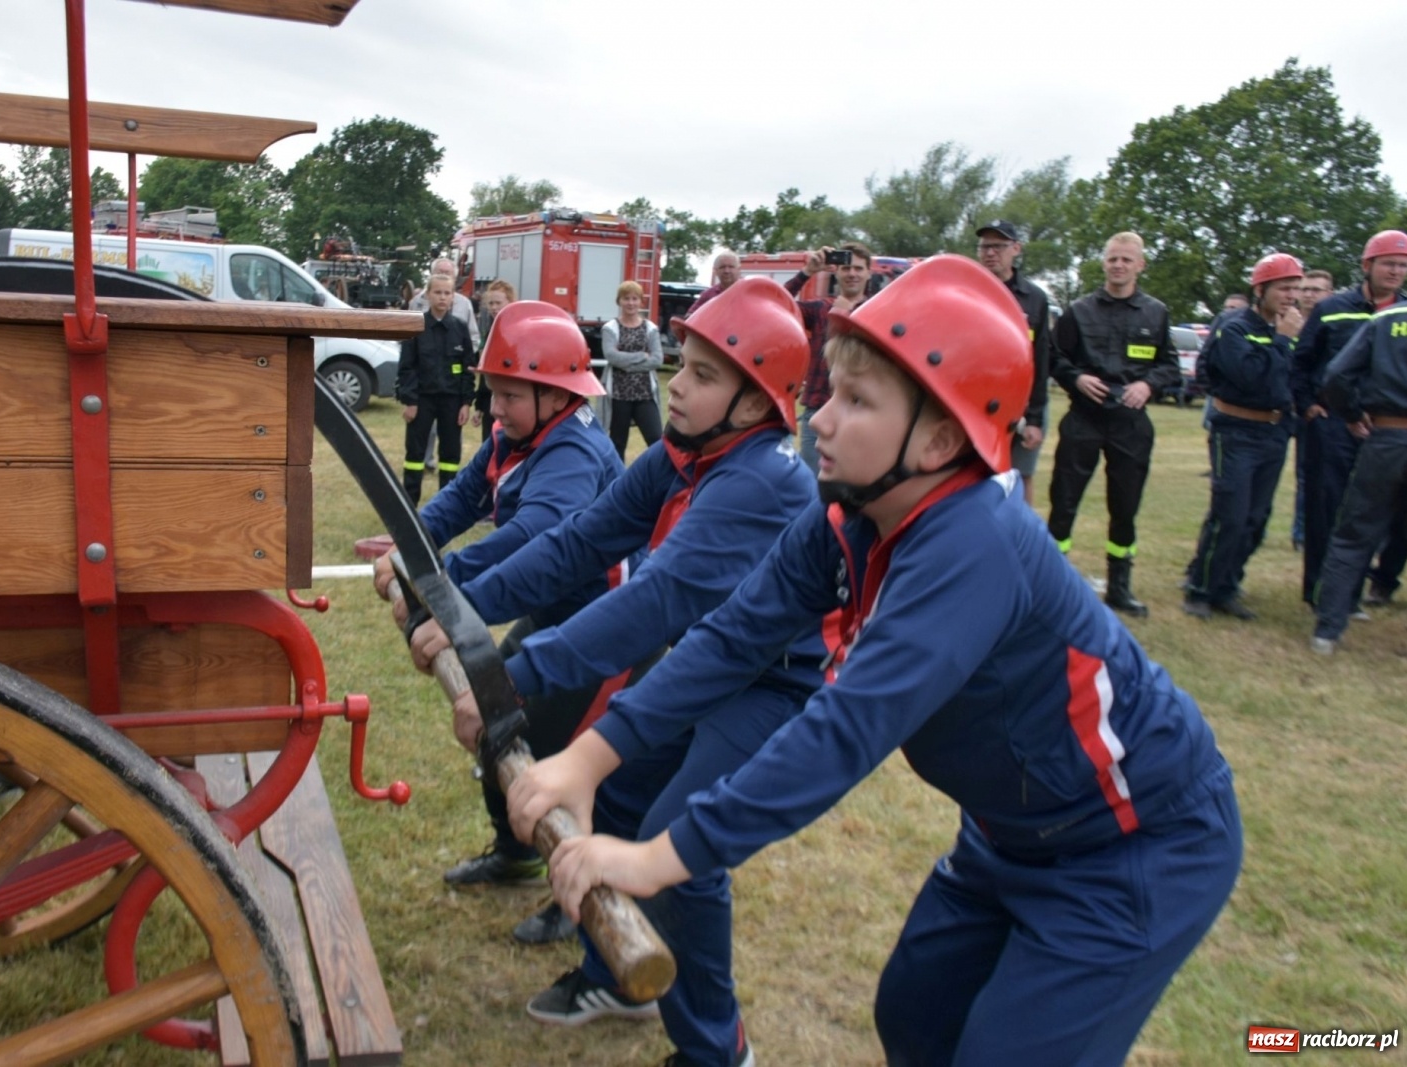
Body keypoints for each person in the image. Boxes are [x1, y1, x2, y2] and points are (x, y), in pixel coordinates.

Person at [523, 255, 1243, 1067]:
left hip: (1133, 846)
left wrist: (663, 856)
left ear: (939, 437)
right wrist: (587, 759)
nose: (820, 418)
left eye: (858, 400)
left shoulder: (975, 540)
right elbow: (730, 638)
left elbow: (848, 725)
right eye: (831, 391)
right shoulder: (845, 515)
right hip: (1008, 835)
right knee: (913, 1020)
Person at [411, 276, 819, 1067]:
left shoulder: (760, 478)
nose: (677, 387)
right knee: (625, 795)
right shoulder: (681, 453)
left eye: (704, 376)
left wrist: (509, 671)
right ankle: (616, 978)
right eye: (683, 366)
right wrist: (462, 608)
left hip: (777, 683)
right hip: (712, 661)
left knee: (686, 855)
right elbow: (580, 543)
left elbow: (653, 602)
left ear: (757, 402)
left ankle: (717, 1052)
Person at [374, 300, 624, 944]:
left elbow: (536, 537)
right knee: (498, 728)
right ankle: (518, 856)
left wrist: (443, 583)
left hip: (606, 634)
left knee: (566, 766)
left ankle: (588, 906)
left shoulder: (571, 451)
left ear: (554, 394)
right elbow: (459, 500)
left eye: (510, 396)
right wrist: (409, 546)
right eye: (493, 394)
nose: (495, 410)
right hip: (556, 615)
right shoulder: (520, 435)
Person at [1046, 231, 1180, 618]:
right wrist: (1076, 378)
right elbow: (1054, 357)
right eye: (1112, 259)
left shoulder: (1155, 313)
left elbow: (1169, 365)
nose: (1118, 265)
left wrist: (1147, 384)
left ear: (1140, 265)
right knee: (1063, 504)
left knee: (1125, 507)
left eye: (1126, 259)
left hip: (1130, 424)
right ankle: (1052, 586)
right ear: (1103, 263)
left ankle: (1119, 588)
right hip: (1084, 420)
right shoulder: (1079, 311)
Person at [1291, 230, 1407, 607]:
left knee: (1380, 514)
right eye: (1388, 263)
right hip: (1333, 424)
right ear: (1367, 265)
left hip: (1386, 429)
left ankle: (1357, 592)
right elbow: (1302, 362)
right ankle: (1319, 592)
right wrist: (1309, 405)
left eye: (1403, 265)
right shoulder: (1333, 308)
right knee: (1326, 507)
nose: (1395, 271)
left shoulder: (1406, 313)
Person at [1183, 254, 1304, 620]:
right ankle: (1199, 589)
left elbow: (1295, 379)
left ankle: (1226, 587)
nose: (1291, 296)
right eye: (1284, 288)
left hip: (1274, 431)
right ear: (1261, 288)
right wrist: (1282, 341)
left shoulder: (1293, 329)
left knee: (1256, 518)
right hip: (1236, 431)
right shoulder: (1236, 328)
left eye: (1295, 289)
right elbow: (1251, 376)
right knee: (1229, 515)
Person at [1311, 297, 1407, 654]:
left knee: (1353, 535)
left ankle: (1327, 630)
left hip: (1385, 437)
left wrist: (1352, 414)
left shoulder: (1386, 319)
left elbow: (1337, 374)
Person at [976, 220, 1052, 506]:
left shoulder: (1035, 299)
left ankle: (1020, 541)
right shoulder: (968, 291)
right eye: (984, 246)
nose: (990, 253)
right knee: (974, 476)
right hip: (977, 405)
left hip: (1021, 406)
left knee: (1020, 477)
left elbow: (1042, 362)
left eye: (998, 246)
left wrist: (1034, 418)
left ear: (1016, 250)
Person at [785, 242, 873, 468]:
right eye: (846, 268)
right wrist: (808, 272)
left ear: (868, 273)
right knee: (814, 487)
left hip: (861, 413)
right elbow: (778, 303)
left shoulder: (878, 310)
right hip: (818, 410)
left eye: (859, 268)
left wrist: (846, 312)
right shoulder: (820, 309)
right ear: (836, 271)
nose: (852, 273)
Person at [397, 274, 475, 503]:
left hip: (451, 401)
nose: (442, 297)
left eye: (447, 293)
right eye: (438, 292)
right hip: (422, 400)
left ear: (453, 297)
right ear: (428, 295)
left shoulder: (459, 328)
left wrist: (466, 402)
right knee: (415, 453)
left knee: (450, 454)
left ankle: (446, 504)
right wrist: (410, 401)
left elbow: (467, 368)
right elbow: (407, 367)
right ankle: (409, 504)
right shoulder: (417, 327)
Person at [1290, 269, 1335, 549]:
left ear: (1329, 294)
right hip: (1289, 409)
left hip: (1323, 410)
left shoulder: (1331, 325)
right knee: (1304, 475)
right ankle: (1300, 531)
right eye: (1304, 289)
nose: (1308, 295)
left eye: (1316, 290)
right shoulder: (1287, 322)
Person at [600, 280, 665, 459]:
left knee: (656, 439)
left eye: (634, 298)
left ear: (641, 301)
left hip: (644, 393)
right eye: (626, 298)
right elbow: (611, 356)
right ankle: (617, 481)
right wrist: (641, 356)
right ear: (619, 301)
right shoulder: (610, 328)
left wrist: (625, 363)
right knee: (618, 442)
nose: (630, 303)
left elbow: (657, 360)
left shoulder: (650, 328)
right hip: (619, 395)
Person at [408, 257, 483, 348]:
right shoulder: (416, 302)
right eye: (439, 273)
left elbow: (474, 337)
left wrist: (462, 354)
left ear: (455, 279)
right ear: (431, 275)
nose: (443, 277)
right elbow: (409, 336)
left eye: (447, 273)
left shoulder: (465, 304)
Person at [473, 280, 516, 439]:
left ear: (510, 302)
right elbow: (486, 373)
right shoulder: (490, 330)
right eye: (490, 303)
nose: (494, 307)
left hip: (512, 399)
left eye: (498, 303)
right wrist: (479, 407)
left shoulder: (517, 331)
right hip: (491, 399)